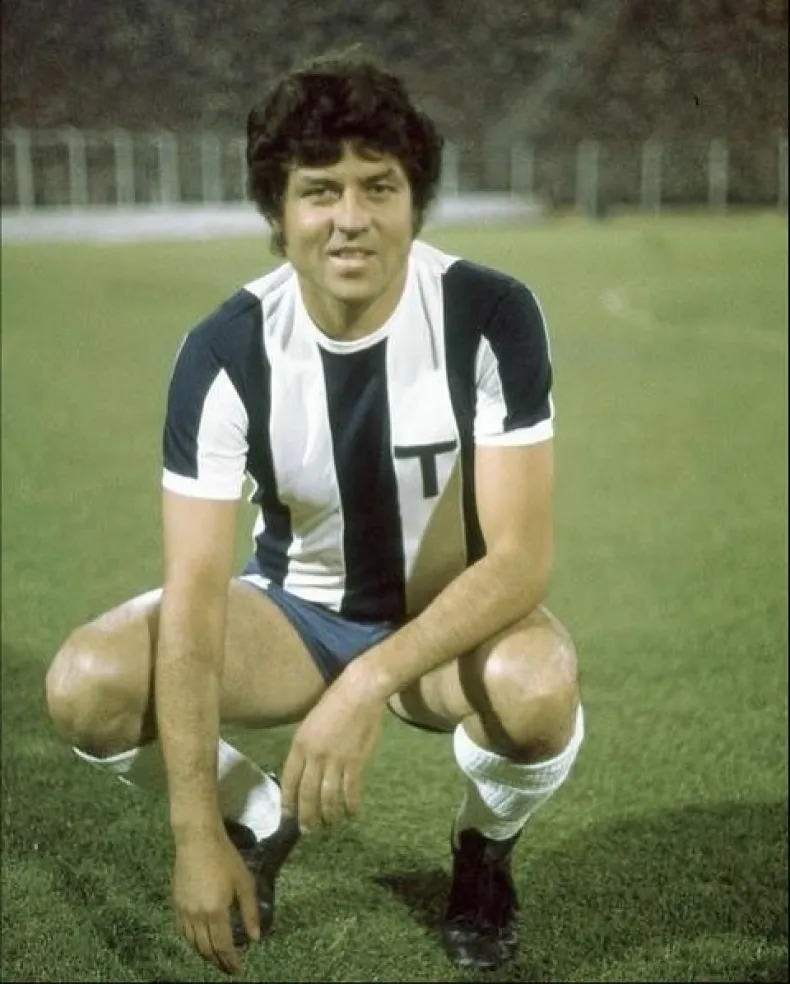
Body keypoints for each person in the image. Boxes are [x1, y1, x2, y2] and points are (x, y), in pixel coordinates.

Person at [45, 50, 584, 977]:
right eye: (320, 190)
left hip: (445, 625)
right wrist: (193, 835)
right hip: (296, 616)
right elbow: (194, 601)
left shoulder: (490, 314)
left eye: (379, 186)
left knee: (538, 686)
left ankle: (483, 851)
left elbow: (520, 560)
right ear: (278, 211)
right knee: (87, 683)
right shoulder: (224, 353)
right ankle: (256, 820)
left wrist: (365, 685)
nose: (351, 217)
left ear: (415, 202)